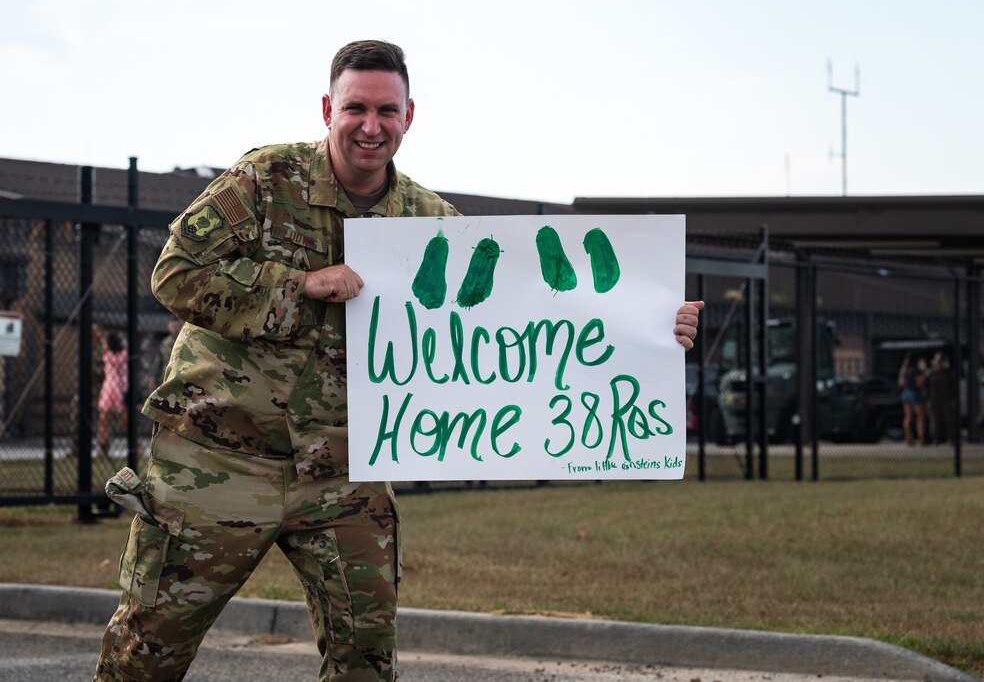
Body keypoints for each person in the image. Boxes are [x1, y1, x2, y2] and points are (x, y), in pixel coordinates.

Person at [95, 39, 704, 682]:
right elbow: (176, 275)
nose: (371, 125)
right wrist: (299, 286)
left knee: (367, 657)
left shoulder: (429, 221)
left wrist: (650, 327)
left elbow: (520, 315)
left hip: (343, 472)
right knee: (147, 651)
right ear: (328, 108)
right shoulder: (265, 181)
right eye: (355, 108)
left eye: (387, 110)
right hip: (220, 461)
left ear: (409, 116)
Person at [94, 326, 127, 459]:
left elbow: (123, 372)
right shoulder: (106, 355)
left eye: (105, 343)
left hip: (119, 388)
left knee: (125, 420)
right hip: (108, 388)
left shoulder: (123, 354)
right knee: (103, 420)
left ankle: (137, 447)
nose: (103, 345)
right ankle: (102, 448)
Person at [925, 350, 957, 445]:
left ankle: (951, 438)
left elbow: (952, 386)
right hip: (933, 400)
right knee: (934, 420)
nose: (938, 362)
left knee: (949, 419)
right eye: (937, 360)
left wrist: (952, 398)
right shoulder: (930, 373)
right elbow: (925, 386)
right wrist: (927, 397)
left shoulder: (948, 373)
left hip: (945, 399)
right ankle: (935, 438)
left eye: (940, 360)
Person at [898, 352, 926, 445]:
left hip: (905, 392)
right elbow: (919, 383)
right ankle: (921, 438)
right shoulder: (916, 370)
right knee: (920, 417)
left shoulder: (905, 370)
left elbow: (900, 383)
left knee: (908, 417)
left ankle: (908, 438)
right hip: (914, 393)